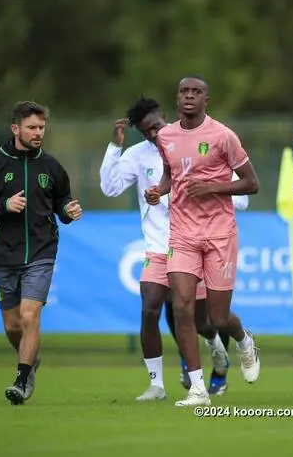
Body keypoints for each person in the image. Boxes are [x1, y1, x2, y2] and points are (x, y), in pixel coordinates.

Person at [100, 97, 248, 399]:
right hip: (159, 244)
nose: (153, 135)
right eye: (145, 132)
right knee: (150, 307)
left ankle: (215, 345)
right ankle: (157, 385)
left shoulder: (199, 142)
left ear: (164, 117)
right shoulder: (137, 155)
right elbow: (110, 187)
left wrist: (209, 192)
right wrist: (114, 148)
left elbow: (242, 196)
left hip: (199, 241)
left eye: (155, 127)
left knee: (205, 322)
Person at [146, 76, 260, 407]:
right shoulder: (165, 136)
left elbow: (252, 183)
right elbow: (171, 175)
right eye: (184, 91)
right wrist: (159, 190)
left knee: (216, 318)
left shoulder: (223, 136)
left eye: (197, 92)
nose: (190, 96)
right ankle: (198, 389)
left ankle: (244, 340)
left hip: (220, 234)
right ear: (177, 97)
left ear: (206, 100)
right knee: (181, 306)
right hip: (181, 233)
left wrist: (212, 188)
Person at [0, 101, 83, 405]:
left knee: (30, 317)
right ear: (15, 128)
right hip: (2, 254)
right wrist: (3, 206)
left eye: (42, 127)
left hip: (42, 251)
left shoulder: (52, 167)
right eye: (32, 127)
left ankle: (22, 378)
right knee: (13, 325)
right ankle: (30, 358)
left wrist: (69, 211)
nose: (38, 133)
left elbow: (62, 203)